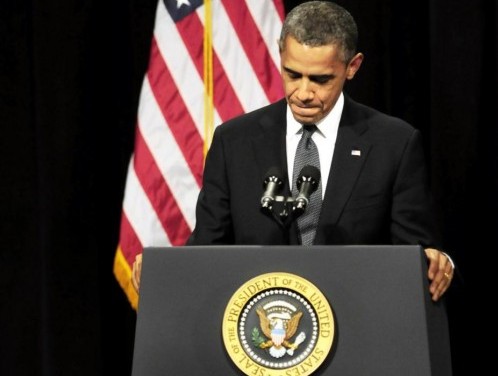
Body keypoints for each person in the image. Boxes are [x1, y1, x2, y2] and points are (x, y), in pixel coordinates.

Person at [132, 1, 454, 301]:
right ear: (280, 55)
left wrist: (435, 261)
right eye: (292, 74)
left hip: (357, 326)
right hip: (257, 330)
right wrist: (163, 270)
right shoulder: (234, 142)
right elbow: (207, 250)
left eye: (320, 79)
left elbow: (416, 253)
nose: (303, 93)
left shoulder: (393, 144)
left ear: (352, 67)